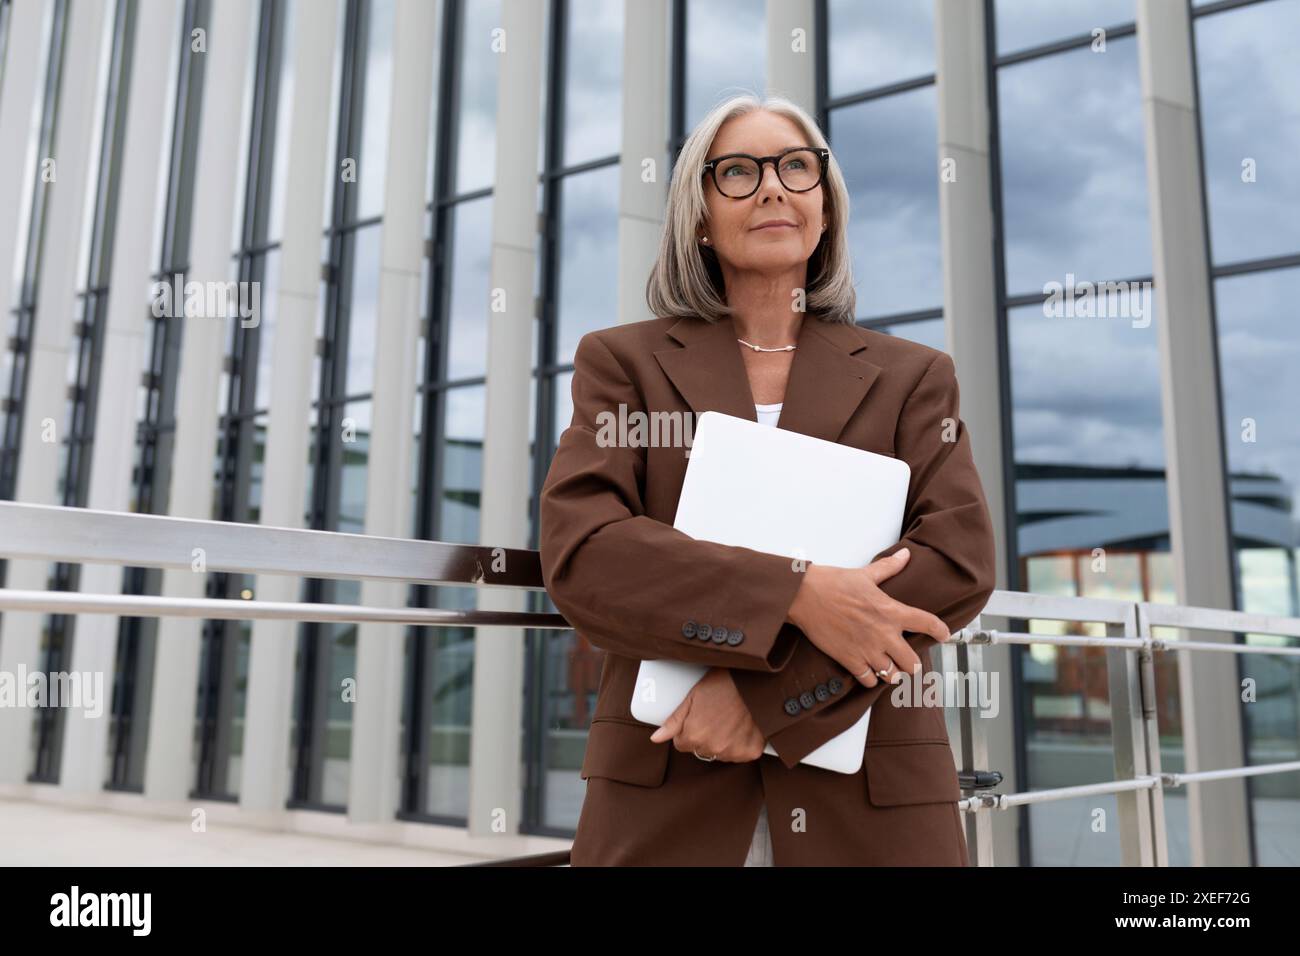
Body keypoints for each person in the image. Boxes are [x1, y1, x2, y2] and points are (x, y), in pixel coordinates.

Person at [538, 93, 997, 866]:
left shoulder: (914, 377)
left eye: (795, 167)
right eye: (740, 172)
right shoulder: (623, 363)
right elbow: (587, 554)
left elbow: (955, 562)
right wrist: (797, 590)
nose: (775, 187)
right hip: (668, 789)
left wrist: (763, 700)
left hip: (871, 801)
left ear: (826, 206)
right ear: (698, 215)